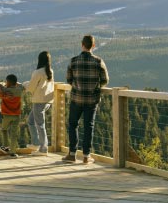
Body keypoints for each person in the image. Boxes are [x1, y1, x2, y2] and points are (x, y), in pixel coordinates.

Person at [62, 35, 109, 164]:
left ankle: (72, 154)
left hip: (76, 99)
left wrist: (78, 86)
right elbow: (105, 80)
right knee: (89, 126)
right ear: (93, 46)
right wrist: (96, 86)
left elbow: (69, 79)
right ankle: (86, 156)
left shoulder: (73, 61)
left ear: (82, 44)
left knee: (73, 125)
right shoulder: (98, 61)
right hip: (91, 100)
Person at [25, 51, 54, 156]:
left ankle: (43, 148)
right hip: (47, 101)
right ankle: (36, 143)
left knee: (40, 124)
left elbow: (31, 87)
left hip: (39, 101)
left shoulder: (38, 72)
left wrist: (24, 84)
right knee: (31, 120)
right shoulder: (49, 71)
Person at [0, 74, 24, 158]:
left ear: (8, 82)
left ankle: (5, 146)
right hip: (16, 115)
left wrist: (3, 85)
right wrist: (16, 84)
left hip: (6, 115)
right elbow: (21, 86)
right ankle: (13, 152)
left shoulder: (5, 90)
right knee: (14, 133)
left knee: (4, 129)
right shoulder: (19, 90)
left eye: (6, 81)